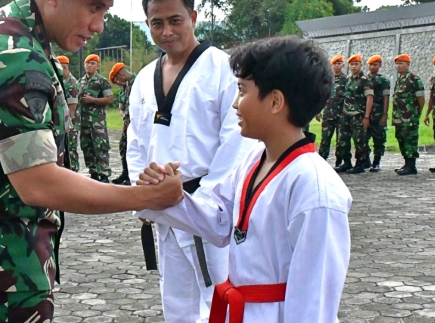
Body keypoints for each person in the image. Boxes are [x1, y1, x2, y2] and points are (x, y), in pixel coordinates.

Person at [0, 0, 183, 323]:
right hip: (0, 261)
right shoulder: (15, 56)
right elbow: (39, 183)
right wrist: (144, 197)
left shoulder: (8, 28)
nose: (99, 26)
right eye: (94, 9)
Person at [137, 36, 352, 323]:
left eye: (242, 90)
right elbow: (220, 223)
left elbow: (316, 301)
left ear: (275, 101)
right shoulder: (253, 160)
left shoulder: (315, 188)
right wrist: (169, 196)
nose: (235, 104)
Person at [127, 0, 254, 323]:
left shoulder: (223, 70)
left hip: (208, 207)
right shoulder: (143, 78)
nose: (166, 31)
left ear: (193, 17)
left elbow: (237, 140)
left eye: (175, 20)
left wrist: (207, 203)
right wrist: (145, 193)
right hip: (163, 208)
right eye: (156, 23)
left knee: (220, 302)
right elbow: (136, 143)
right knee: (176, 304)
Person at [78, 53, 113, 182]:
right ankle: (93, 173)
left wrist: (92, 100)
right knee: (87, 147)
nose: (89, 65)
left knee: (101, 147)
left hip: (97, 121)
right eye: (87, 63)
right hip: (84, 121)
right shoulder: (80, 81)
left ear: (97, 66)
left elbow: (109, 99)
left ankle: (104, 174)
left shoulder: (101, 81)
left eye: (92, 63)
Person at [337, 54, 373, 174]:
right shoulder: (348, 80)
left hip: (358, 115)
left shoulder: (365, 80)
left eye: (356, 64)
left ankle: (360, 164)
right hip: (346, 115)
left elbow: (369, 98)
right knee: (343, 140)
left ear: (360, 65)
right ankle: (346, 162)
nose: (353, 67)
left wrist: (366, 116)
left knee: (359, 140)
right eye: (351, 64)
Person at [392, 54, 425, 176]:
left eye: (401, 63)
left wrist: (417, 113)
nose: (398, 66)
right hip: (399, 117)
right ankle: (406, 163)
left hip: (410, 117)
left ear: (408, 65)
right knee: (401, 139)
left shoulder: (414, 79)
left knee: (410, 141)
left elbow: (421, 99)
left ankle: (411, 166)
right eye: (397, 64)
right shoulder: (400, 79)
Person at [318, 56, 347, 166]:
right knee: (325, 139)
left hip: (341, 115)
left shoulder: (346, 80)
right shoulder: (326, 80)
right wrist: (318, 111)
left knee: (341, 140)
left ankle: (339, 162)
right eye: (335, 64)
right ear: (331, 65)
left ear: (343, 65)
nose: (337, 65)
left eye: (339, 63)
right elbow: (322, 96)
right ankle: (322, 160)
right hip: (328, 114)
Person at [109, 62, 136, 185]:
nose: (118, 83)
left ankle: (133, 176)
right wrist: (125, 118)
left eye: (117, 80)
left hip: (138, 124)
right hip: (128, 123)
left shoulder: (138, 82)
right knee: (123, 146)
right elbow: (122, 108)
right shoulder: (125, 88)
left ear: (122, 74)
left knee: (135, 149)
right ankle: (125, 173)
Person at [366, 55, 391, 172]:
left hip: (378, 113)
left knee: (379, 139)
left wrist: (385, 114)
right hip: (365, 114)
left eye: (375, 64)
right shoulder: (364, 79)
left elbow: (386, 97)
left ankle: (376, 162)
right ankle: (364, 161)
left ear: (380, 66)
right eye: (371, 64)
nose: (372, 67)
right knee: (362, 138)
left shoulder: (383, 81)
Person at [58, 55, 81, 172]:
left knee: (71, 149)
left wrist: (66, 127)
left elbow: (72, 110)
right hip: (64, 123)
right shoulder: (62, 81)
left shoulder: (71, 84)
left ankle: (74, 172)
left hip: (70, 124)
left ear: (64, 68)